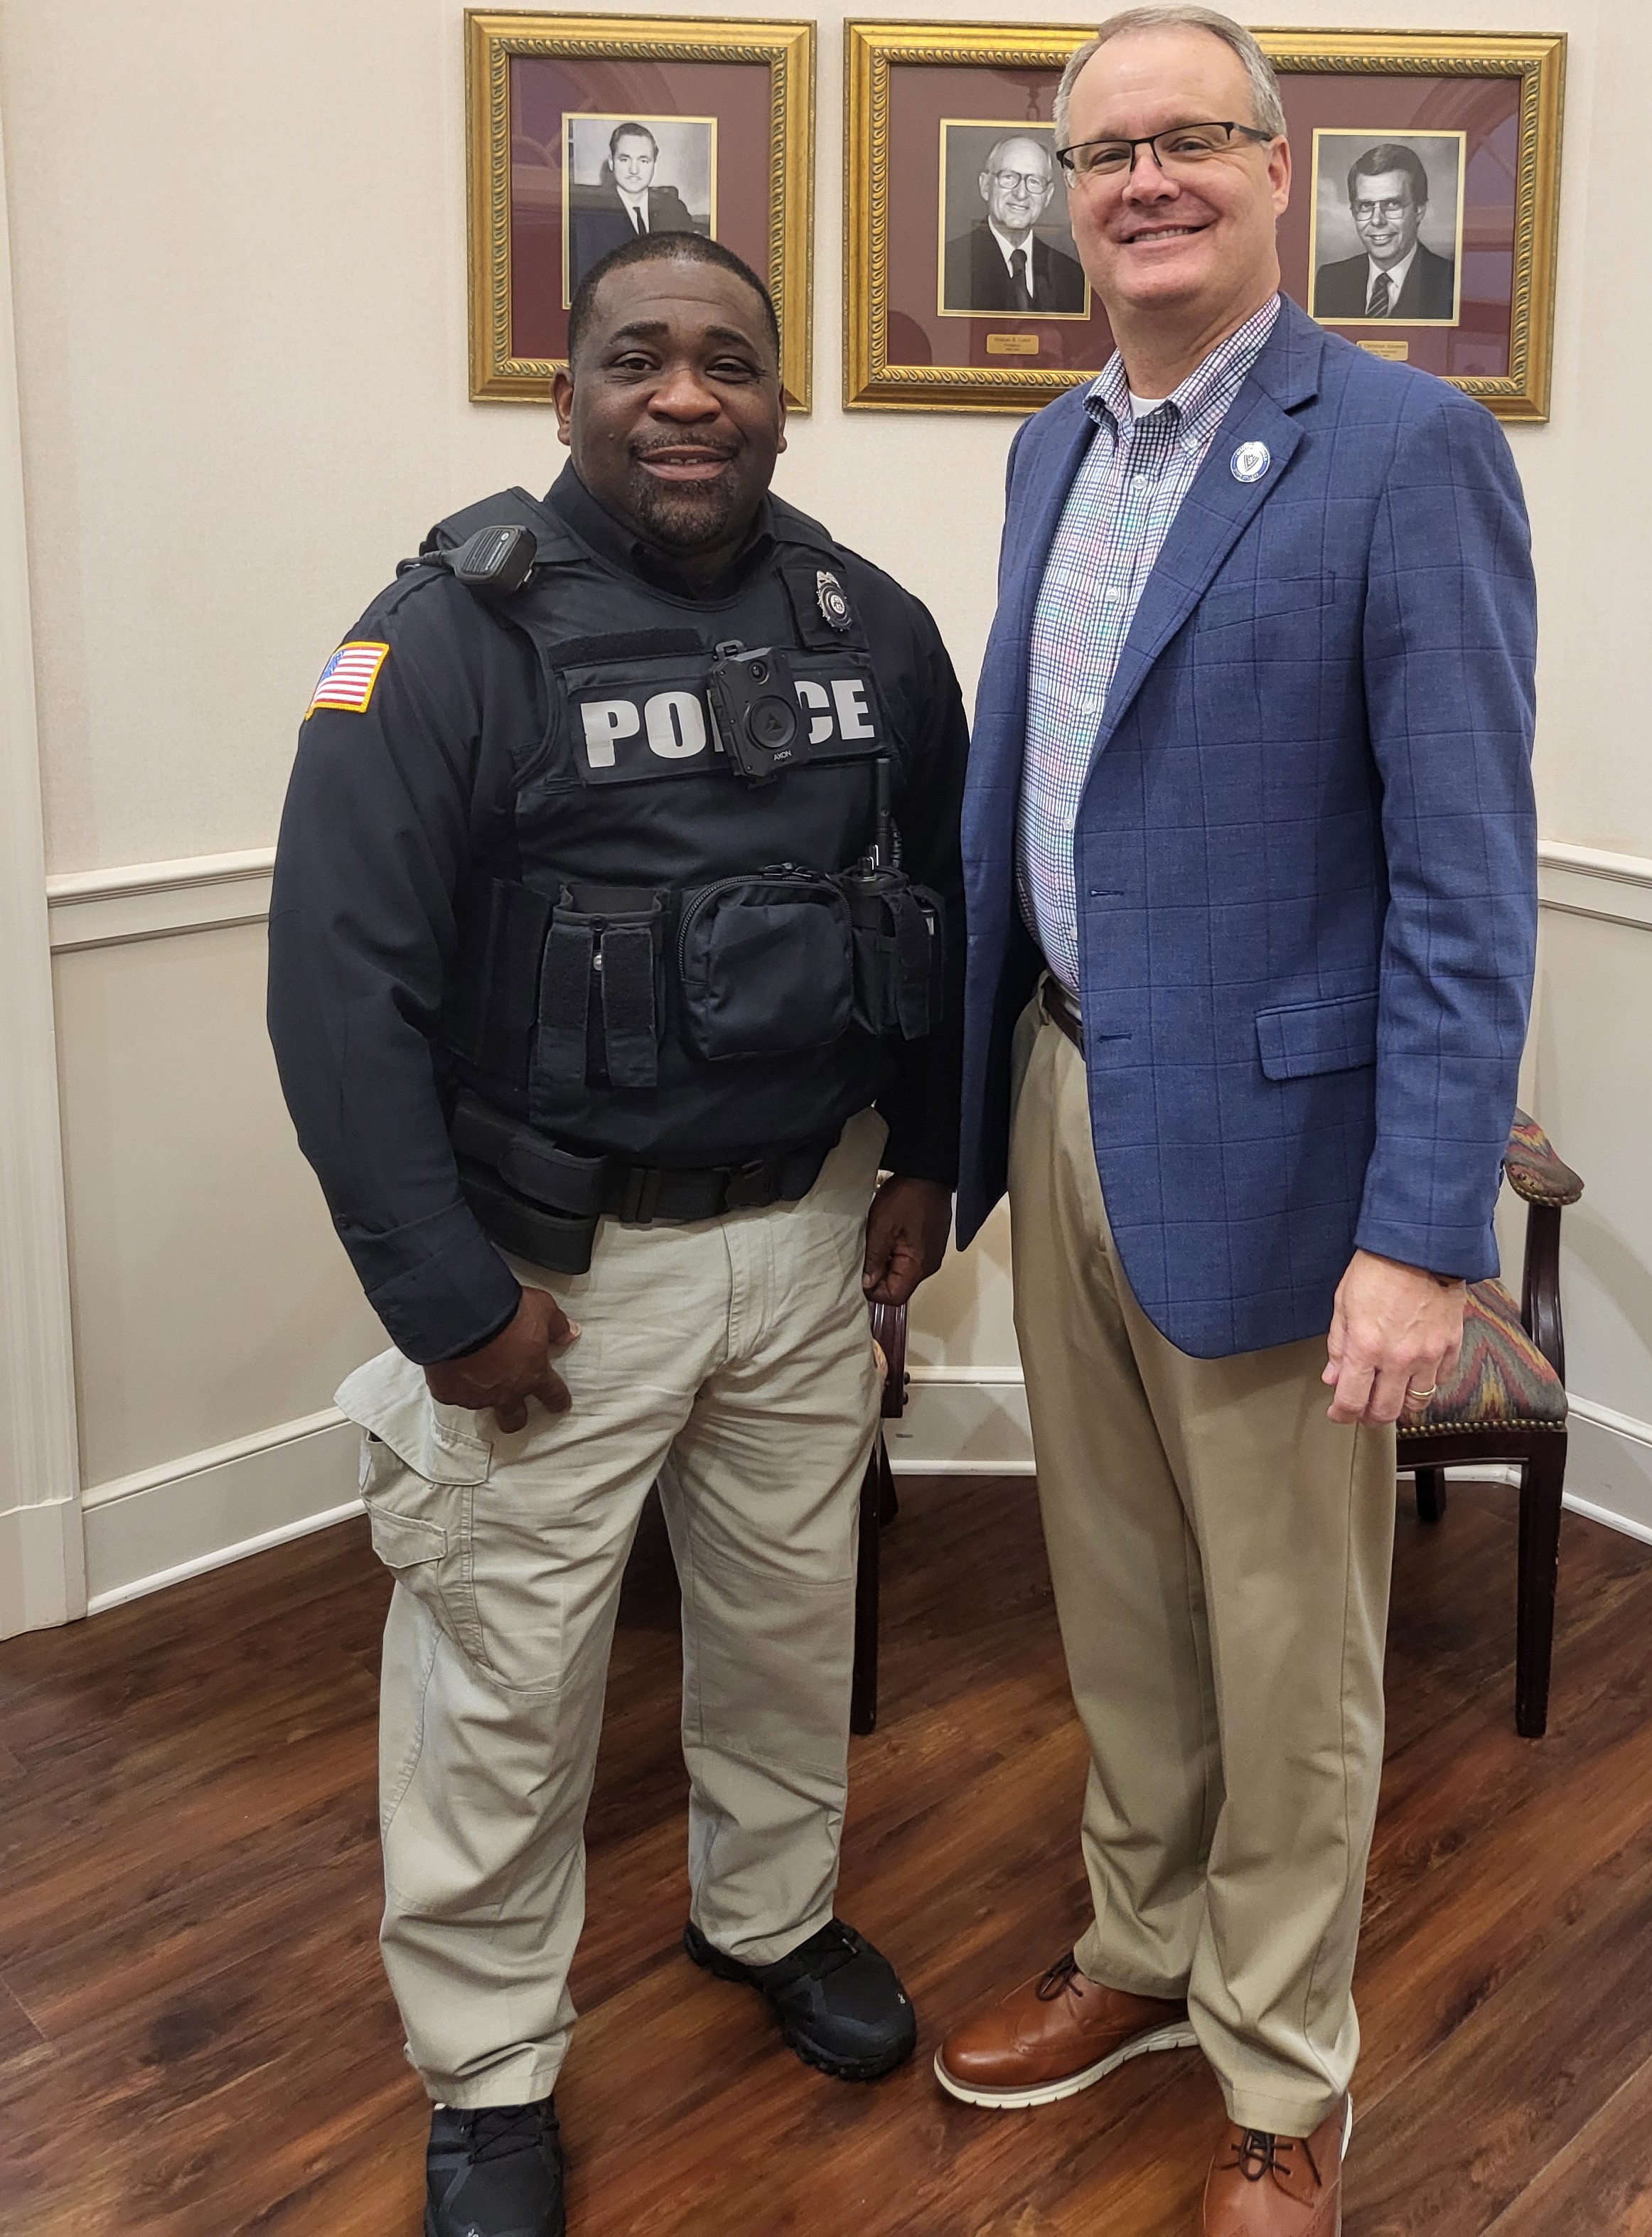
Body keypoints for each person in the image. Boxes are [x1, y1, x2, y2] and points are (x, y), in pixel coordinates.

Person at [267, 229, 966, 2237]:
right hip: (559, 1276)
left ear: (779, 393)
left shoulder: (873, 624)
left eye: (729, 362)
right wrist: (443, 1296)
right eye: (639, 359)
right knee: (502, 1677)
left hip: (815, 1236)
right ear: (562, 388)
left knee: (782, 1622)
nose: (687, 396)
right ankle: (488, 2064)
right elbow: (339, 990)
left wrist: (925, 1153)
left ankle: (769, 1915)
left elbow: (944, 901)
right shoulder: (448, 633)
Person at [936, 8, 1535, 2234]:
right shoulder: (1051, 451)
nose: (1147, 179)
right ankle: (1140, 1945)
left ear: (1280, 172)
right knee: (1115, 1600)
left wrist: (1421, 1230)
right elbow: (1030, 804)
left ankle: (1285, 2069)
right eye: (1107, 150)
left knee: (1293, 1645)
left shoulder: (1402, 451)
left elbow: (1469, 882)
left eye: (1194, 139)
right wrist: (965, 1109)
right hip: (1067, 1086)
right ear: (1065, 195)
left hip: (1290, 1167)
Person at [940, 132, 1088, 314]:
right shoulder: (951, 263)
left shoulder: (1071, 273)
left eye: (1034, 182)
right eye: (1009, 178)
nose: (1021, 194)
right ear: (986, 186)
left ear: (1047, 196)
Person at [1312, 141, 1454, 321]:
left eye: (1392, 204)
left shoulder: (1449, 281)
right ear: (1354, 213)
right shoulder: (1330, 281)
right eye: (1365, 206)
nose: (1377, 220)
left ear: (1419, 211)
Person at [568, 121, 704, 296]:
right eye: (625, 159)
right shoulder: (589, 214)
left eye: (644, 160)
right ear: (611, 162)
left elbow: (691, 275)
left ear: (655, 162)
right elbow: (584, 286)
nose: (634, 170)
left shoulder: (674, 209)